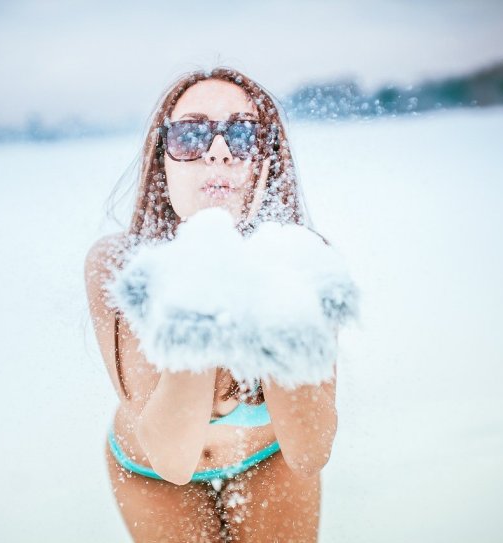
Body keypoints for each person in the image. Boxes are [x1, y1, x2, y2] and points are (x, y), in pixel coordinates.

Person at [85, 67, 338, 542]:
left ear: (266, 159)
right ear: (163, 161)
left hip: (269, 457)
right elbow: (172, 460)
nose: (219, 150)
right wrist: (208, 255)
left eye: (243, 134)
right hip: (151, 473)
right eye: (191, 133)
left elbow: (308, 451)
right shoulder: (118, 265)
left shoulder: (301, 260)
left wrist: (266, 265)